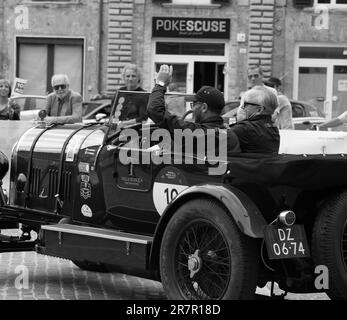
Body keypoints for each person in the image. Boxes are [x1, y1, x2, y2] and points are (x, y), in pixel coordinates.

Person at [147, 64, 241, 153]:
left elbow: (155, 110)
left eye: (194, 104)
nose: (192, 110)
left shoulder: (196, 133)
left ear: (204, 107)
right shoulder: (231, 136)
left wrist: (160, 84)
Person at [231, 85, 280, 154]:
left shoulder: (245, 129)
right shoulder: (273, 127)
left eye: (246, 104)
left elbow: (213, 140)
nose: (242, 107)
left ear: (259, 110)